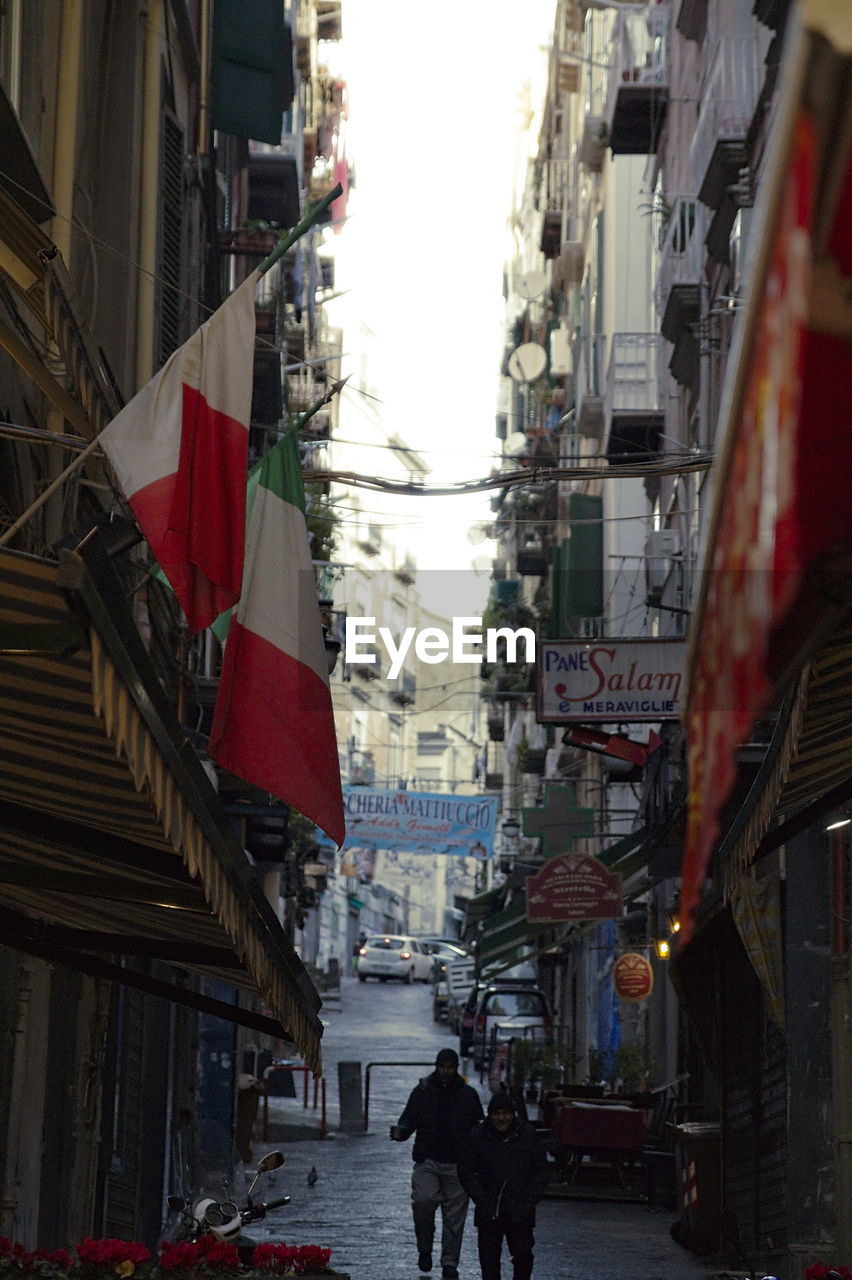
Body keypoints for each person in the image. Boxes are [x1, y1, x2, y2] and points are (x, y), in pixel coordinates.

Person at [391, 1047, 484, 1279]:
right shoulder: (422, 1091)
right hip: (428, 1159)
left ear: (456, 1069)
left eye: (449, 1067)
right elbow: (409, 1117)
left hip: (458, 1164)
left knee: (454, 1219)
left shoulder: (468, 1094)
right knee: (422, 1202)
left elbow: (478, 1129)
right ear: (436, 1066)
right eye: (442, 1067)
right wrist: (401, 1131)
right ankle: (425, 1249)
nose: (445, 1072)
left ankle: (449, 1263)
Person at [457, 1093, 551, 1280]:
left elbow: (541, 1170)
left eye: (506, 1113)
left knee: (523, 1255)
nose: (501, 1118)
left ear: (513, 1114)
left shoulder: (527, 1135)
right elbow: (466, 1170)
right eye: (497, 1113)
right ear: (490, 1115)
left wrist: (529, 1199)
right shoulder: (478, 1136)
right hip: (489, 1207)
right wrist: (481, 1198)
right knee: (489, 1259)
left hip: (520, 1207)